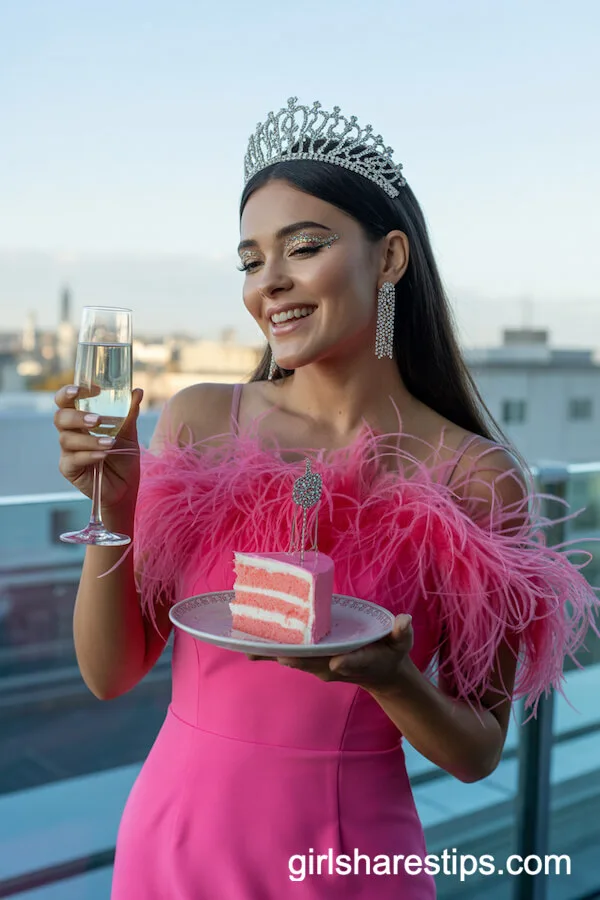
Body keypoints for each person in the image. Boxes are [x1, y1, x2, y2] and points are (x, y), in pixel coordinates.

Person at [54, 97, 598, 899]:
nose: (268, 283)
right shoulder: (202, 419)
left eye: (303, 247)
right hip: (174, 842)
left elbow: (478, 751)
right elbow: (109, 674)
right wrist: (114, 507)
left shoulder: (475, 478)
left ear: (390, 259)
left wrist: (391, 679)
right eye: (249, 261)